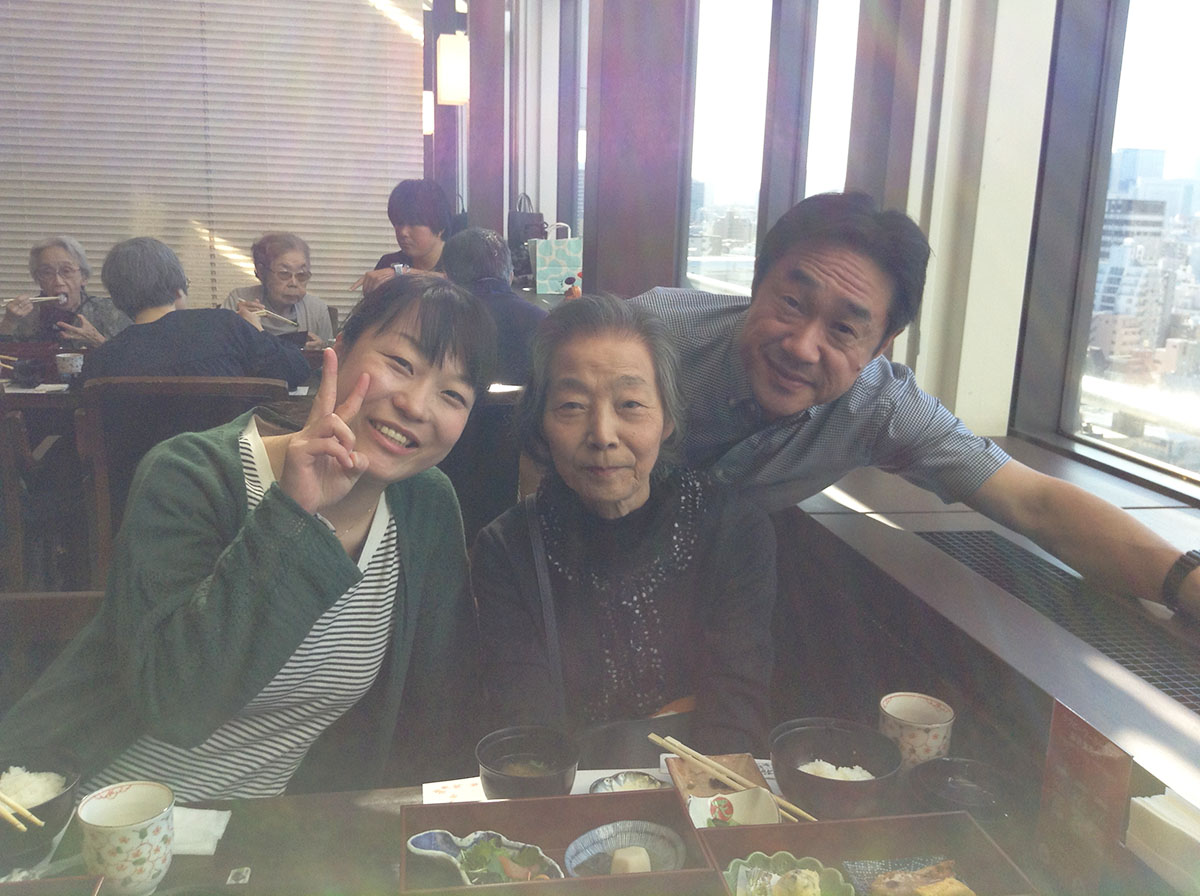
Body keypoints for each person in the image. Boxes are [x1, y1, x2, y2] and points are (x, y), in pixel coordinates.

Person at [0, 273, 497, 799]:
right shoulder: (191, 475)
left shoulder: (424, 504)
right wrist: (292, 516)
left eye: (452, 394)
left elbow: (438, 701)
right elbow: (175, 703)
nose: (417, 405)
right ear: (339, 349)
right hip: (97, 810)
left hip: (268, 830)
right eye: (401, 364)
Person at [630, 191, 1200, 619]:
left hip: (698, 609)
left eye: (844, 328)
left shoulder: (878, 406)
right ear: (757, 286)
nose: (802, 347)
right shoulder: (648, 335)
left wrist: (1184, 582)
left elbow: (1035, 503)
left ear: (881, 344)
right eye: (791, 303)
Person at [471, 294, 776, 763]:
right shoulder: (506, 549)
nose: (602, 434)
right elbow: (527, 731)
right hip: (566, 794)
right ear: (541, 421)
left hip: (701, 791)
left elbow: (736, 712)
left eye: (630, 404)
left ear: (667, 419)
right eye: (572, 405)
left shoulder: (732, 529)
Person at [81, 237, 311, 389]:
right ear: (178, 288)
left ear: (118, 300)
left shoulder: (100, 363)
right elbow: (297, 370)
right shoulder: (226, 326)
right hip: (225, 449)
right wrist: (257, 331)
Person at [442, 226, 547, 385]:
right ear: (510, 276)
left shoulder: (437, 323)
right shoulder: (544, 322)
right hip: (525, 402)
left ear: (447, 279)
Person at [1, 236, 131, 348]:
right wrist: (8, 323)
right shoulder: (26, 315)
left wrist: (99, 341)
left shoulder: (110, 312)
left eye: (66, 271)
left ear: (83, 277)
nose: (58, 281)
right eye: (47, 272)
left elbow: (131, 362)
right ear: (38, 279)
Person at [223, 232, 334, 349]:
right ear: (261, 272)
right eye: (284, 273)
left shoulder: (317, 310)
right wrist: (236, 324)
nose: (294, 283)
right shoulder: (238, 299)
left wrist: (320, 350)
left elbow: (331, 357)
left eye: (301, 274)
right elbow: (219, 351)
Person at [351, 179, 453, 296]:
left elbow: (456, 283)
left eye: (414, 224)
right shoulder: (388, 263)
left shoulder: (459, 260)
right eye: (399, 223)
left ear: (439, 227)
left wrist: (402, 273)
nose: (403, 232)